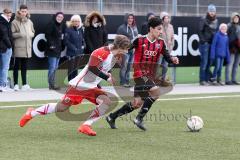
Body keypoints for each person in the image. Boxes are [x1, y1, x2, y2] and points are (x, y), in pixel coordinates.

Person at [19, 35, 130, 136]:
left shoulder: (115, 56)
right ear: (120, 47)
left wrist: (107, 74)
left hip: (92, 86)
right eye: (126, 48)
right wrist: (107, 77)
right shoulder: (102, 52)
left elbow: (99, 69)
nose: (127, 50)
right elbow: (92, 68)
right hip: (81, 85)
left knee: (107, 102)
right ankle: (31, 113)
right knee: (61, 107)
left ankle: (86, 125)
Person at [106, 17, 179, 131]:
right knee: (156, 92)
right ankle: (139, 119)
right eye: (159, 29)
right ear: (151, 29)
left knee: (137, 103)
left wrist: (173, 59)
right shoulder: (139, 40)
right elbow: (126, 49)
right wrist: (115, 56)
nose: (161, 32)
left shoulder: (161, 43)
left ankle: (112, 117)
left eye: (161, 30)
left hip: (150, 75)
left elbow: (167, 57)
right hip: (139, 74)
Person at [11, 4, 35, 91]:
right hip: (18, 48)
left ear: (27, 11)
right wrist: (20, 34)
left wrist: (30, 34)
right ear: (19, 11)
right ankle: (16, 84)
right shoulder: (14, 22)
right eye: (22, 11)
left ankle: (24, 84)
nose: (24, 13)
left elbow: (33, 32)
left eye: (25, 11)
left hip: (27, 48)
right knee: (16, 67)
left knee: (25, 67)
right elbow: (12, 34)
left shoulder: (30, 22)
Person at [198, 4, 218, 86]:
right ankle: (202, 80)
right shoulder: (203, 19)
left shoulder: (216, 20)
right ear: (208, 11)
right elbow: (199, 31)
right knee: (204, 62)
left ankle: (207, 79)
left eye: (213, 11)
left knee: (209, 63)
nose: (212, 13)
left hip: (212, 44)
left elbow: (215, 32)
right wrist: (204, 41)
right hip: (204, 44)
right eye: (210, 11)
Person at [45, 12, 65, 90]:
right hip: (52, 50)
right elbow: (47, 35)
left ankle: (54, 83)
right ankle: (51, 84)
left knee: (56, 67)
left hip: (58, 50)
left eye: (61, 17)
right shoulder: (51, 24)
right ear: (56, 16)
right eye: (58, 16)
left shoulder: (61, 25)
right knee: (52, 67)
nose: (60, 18)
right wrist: (51, 45)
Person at [117, 13, 138, 87]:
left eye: (132, 18)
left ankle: (127, 81)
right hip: (125, 51)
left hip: (132, 51)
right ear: (126, 19)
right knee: (124, 67)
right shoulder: (121, 28)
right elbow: (118, 40)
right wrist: (120, 51)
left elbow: (136, 38)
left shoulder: (134, 27)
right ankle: (122, 82)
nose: (130, 20)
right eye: (129, 18)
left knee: (129, 67)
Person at [64, 14, 85, 81]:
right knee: (71, 69)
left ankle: (75, 83)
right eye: (74, 21)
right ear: (72, 22)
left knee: (76, 69)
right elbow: (66, 41)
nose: (76, 22)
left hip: (78, 53)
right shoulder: (68, 30)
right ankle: (70, 82)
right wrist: (74, 48)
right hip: (71, 53)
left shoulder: (80, 30)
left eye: (78, 21)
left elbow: (82, 40)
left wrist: (83, 46)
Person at [159, 11, 174, 86]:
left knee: (165, 66)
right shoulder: (159, 26)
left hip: (167, 50)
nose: (167, 19)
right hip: (160, 50)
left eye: (168, 17)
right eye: (165, 17)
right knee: (157, 65)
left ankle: (163, 80)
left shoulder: (171, 27)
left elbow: (172, 38)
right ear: (162, 18)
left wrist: (171, 46)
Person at [0, 8, 13, 92]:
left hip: (3, 47)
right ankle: (3, 85)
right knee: (5, 67)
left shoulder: (5, 22)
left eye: (10, 14)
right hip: (5, 48)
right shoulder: (3, 22)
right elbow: (5, 35)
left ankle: (2, 84)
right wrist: (10, 45)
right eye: (8, 14)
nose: (9, 16)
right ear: (4, 13)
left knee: (2, 67)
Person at [225, 12, 240, 85]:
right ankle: (227, 80)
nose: (236, 19)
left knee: (236, 65)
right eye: (235, 17)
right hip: (231, 48)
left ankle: (233, 79)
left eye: (237, 18)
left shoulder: (239, 26)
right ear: (232, 18)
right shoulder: (229, 26)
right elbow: (226, 37)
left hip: (238, 48)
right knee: (230, 64)